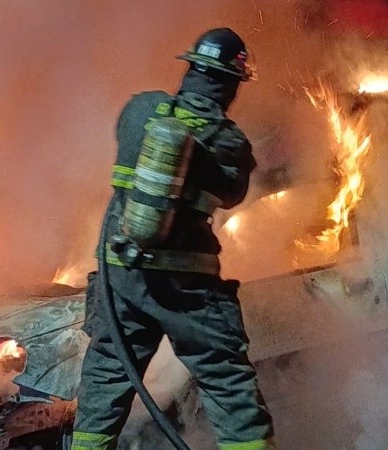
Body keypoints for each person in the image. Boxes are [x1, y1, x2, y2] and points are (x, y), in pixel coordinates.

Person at [72, 28, 275, 450]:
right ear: (232, 83)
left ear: (190, 69)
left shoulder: (139, 109)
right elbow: (233, 195)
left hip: (122, 280)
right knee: (227, 382)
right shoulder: (230, 143)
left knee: (107, 374)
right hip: (187, 293)